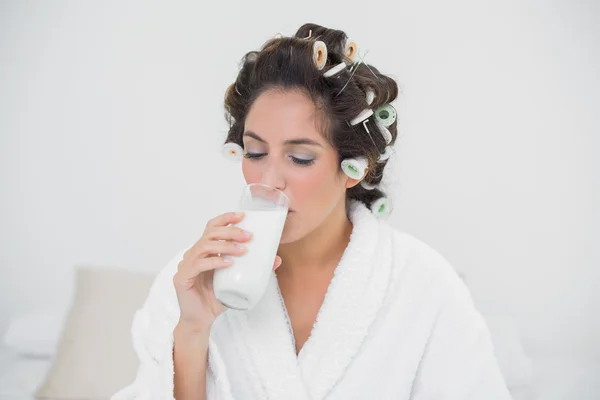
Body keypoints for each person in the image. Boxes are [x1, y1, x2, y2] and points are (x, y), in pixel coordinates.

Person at [111, 23, 511, 400]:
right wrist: (193, 330)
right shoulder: (192, 280)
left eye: (300, 157)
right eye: (255, 152)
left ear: (354, 167)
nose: (269, 178)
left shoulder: (423, 287)